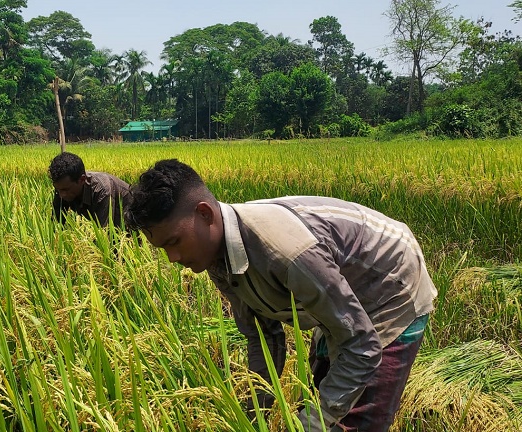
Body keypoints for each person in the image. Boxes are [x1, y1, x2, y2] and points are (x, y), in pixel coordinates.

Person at [125, 159, 437, 432]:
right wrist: (252, 415)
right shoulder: (214, 256)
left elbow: (362, 345)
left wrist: (310, 425)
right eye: (162, 249)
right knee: (320, 390)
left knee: (354, 417)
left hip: (389, 285)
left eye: (174, 242)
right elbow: (262, 337)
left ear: (205, 214)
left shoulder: (287, 253)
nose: (172, 258)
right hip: (338, 288)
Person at [48, 152, 132, 229]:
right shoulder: (62, 187)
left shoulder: (102, 190)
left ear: (82, 179)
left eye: (65, 190)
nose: (62, 195)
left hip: (131, 224)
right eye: (58, 189)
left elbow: (104, 233)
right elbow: (56, 224)